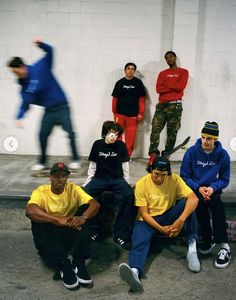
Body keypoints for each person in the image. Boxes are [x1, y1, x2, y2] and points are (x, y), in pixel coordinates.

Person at [118, 156, 200, 293]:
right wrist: (161, 229)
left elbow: (194, 198)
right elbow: (144, 214)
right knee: (139, 241)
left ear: (168, 173)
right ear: (151, 170)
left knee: (188, 205)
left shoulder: (174, 179)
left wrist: (180, 221)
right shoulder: (142, 184)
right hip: (148, 220)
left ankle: (192, 248)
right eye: (156, 174)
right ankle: (134, 273)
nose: (160, 178)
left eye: (163, 175)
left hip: (169, 216)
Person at [8, 38, 80, 171]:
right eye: (13, 73)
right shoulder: (24, 86)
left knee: (70, 133)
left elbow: (51, 51)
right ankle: (42, 162)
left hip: (62, 106)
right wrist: (19, 117)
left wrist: (41, 44)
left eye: (16, 72)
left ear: (22, 67)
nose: (15, 75)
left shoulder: (40, 67)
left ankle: (75, 159)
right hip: (49, 111)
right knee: (42, 135)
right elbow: (25, 103)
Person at [25, 162, 100, 290]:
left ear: (67, 177)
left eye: (63, 176)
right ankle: (64, 265)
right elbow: (29, 211)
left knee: (87, 212)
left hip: (69, 230)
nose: (59, 179)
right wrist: (57, 219)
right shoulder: (41, 191)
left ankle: (78, 262)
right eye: (56, 176)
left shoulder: (73, 189)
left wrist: (83, 217)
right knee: (37, 220)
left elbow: (95, 204)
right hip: (50, 235)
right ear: (50, 177)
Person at [180, 121, 231, 268]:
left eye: (209, 138)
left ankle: (224, 246)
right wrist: (198, 187)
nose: (205, 141)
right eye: (203, 137)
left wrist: (213, 188)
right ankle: (208, 240)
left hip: (211, 189)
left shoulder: (222, 155)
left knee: (217, 207)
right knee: (199, 208)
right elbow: (184, 176)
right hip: (196, 188)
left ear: (215, 139)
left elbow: (224, 179)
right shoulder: (191, 152)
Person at [83, 121, 137, 250]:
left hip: (117, 179)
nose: (114, 137)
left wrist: (127, 182)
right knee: (85, 195)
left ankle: (121, 235)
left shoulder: (121, 146)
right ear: (105, 134)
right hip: (99, 178)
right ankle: (93, 230)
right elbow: (93, 165)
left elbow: (125, 165)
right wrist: (88, 181)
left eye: (116, 134)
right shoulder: (97, 145)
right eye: (111, 133)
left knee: (129, 196)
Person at [148, 51, 189, 167]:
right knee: (155, 130)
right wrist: (173, 86)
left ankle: (166, 155)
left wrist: (166, 84)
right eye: (166, 58)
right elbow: (158, 89)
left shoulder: (183, 72)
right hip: (161, 106)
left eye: (170, 56)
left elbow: (181, 87)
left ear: (175, 57)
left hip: (175, 106)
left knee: (172, 132)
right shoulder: (162, 73)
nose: (169, 59)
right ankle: (153, 155)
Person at [112, 62, 146, 158]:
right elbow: (115, 99)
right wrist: (114, 112)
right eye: (128, 68)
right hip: (120, 114)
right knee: (116, 135)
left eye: (132, 69)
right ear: (125, 70)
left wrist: (140, 113)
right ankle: (117, 154)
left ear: (134, 71)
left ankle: (127, 156)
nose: (130, 70)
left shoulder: (138, 83)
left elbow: (142, 100)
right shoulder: (119, 83)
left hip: (132, 115)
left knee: (130, 137)